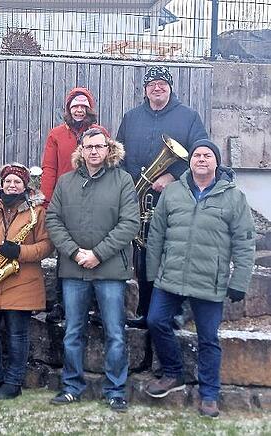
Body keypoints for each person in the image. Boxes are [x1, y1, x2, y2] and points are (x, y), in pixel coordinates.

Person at [144, 139, 256, 418]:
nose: (202, 159)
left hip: (209, 279)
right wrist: (151, 272)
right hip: (171, 275)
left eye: (208, 155)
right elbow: (156, 234)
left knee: (208, 339)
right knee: (155, 321)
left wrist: (239, 281)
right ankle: (173, 373)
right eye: (197, 155)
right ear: (190, 161)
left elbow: (244, 241)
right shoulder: (173, 193)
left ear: (217, 162)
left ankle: (209, 395)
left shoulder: (233, 197)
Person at [45, 127, 139, 412]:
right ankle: (72, 386)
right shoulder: (65, 182)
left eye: (100, 146)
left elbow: (129, 223)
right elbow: (53, 220)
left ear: (109, 149)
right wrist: (74, 252)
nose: (94, 151)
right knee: (73, 331)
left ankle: (115, 390)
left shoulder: (123, 180)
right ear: (81, 150)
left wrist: (98, 254)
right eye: (89, 147)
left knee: (115, 332)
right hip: (74, 271)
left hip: (110, 271)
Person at [116, 66, 208, 328]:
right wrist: (126, 182)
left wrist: (174, 176)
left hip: (173, 196)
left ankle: (176, 310)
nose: (157, 88)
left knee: (172, 253)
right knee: (143, 255)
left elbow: (201, 152)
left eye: (162, 83)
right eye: (152, 84)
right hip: (137, 197)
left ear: (170, 87)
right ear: (145, 89)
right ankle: (146, 311)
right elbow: (119, 152)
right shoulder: (132, 117)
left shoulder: (189, 117)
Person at [0, 163, 52, 400]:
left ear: (25, 186)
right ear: (1, 184)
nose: (12, 186)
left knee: (17, 334)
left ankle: (13, 382)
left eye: (17, 182)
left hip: (21, 281)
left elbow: (47, 245)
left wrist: (20, 252)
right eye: (8, 181)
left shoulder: (37, 212)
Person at [40, 87, 106, 324]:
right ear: (68, 109)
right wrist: (47, 202)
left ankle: (98, 306)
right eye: (75, 106)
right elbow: (49, 168)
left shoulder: (100, 134)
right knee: (65, 253)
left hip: (96, 201)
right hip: (66, 200)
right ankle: (61, 303)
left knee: (97, 251)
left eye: (83, 106)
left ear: (89, 109)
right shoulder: (56, 135)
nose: (79, 110)